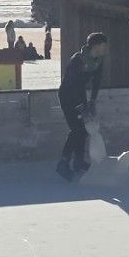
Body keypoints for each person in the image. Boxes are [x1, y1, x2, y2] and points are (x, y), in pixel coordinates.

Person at [56, 31, 108, 180]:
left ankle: (79, 162)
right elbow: (73, 84)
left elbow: (96, 82)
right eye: (103, 46)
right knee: (77, 129)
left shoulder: (98, 61)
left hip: (80, 96)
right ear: (95, 46)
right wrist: (80, 104)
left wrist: (92, 101)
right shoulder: (77, 60)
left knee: (84, 130)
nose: (104, 49)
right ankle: (63, 162)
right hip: (67, 95)